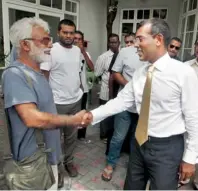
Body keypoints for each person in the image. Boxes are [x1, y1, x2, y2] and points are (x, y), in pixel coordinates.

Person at [82, 18, 198, 190]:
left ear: (158, 40)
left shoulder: (183, 73)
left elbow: (193, 117)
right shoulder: (140, 73)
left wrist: (190, 158)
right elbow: (121, 101)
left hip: (167, 149)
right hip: (139, 143)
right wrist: (92, 115)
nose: (135, 44)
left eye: (140, 38)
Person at [2, 17, 87, 190]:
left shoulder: (37, 73)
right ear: (25, 45)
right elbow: (32, 118)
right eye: (45, 40)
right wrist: (72, 120)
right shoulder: (15, 75)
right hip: (33, 163)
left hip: (49, 157)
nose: (50, 45)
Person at [40, 19, 83, 179]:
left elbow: (76, 72)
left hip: (74, 102)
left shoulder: (77, 51)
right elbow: (44, 77)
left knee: (72, 137)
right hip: (56, 103)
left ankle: (69, 162)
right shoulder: (50, 51)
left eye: (71, 32)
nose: (68, 35)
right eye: (65, 32)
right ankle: (56, 170)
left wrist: (80, 89)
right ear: (58, 32)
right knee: (55, 140)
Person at [102, 45, 144, 181]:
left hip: (143, 107)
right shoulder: (125, 52)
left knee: (136, 138)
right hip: (125, 104)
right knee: (118, 137)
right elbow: (115, 73)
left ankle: (133, 166)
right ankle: (110, 164)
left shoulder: (154, 56)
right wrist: (131, 87)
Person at [94, 33, 120, 142]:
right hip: (106, 89)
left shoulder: (123, 55)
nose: (113, 44)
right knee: (105, 113)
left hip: (119, 90)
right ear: (108, 43)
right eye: (111, 42)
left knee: (116, 112)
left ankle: (113, 133)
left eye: (116, 42)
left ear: (119, 43)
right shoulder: (103, 57)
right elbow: (97, 73)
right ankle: (104, 135)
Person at [74, 30, 94, 142]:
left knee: (82, 113)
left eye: (79, 39)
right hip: (71, 89)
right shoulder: (67, 52)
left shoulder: (85, 53)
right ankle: (70, 135)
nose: (77, 41)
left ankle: (81, 136)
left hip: (83, 89)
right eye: (75, 38)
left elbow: (92, 67)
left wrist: (83, 52)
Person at [184, 38, 198, 189]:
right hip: (188, 117)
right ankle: (183, 176)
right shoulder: (186, 68)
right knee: (186, 146)